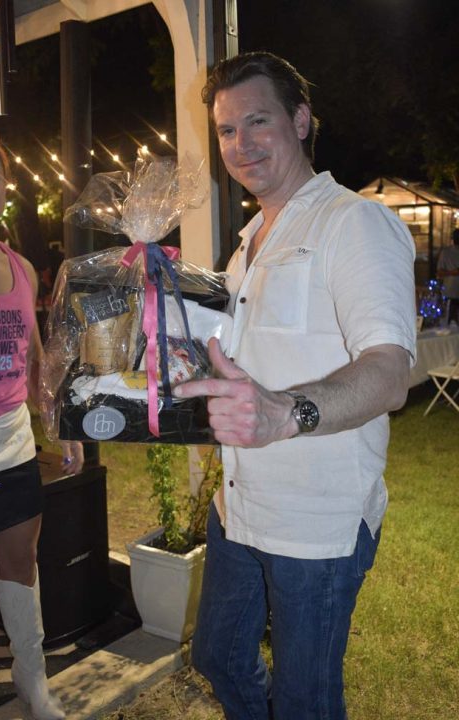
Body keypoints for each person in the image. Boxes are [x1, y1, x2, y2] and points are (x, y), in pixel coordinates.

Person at [173, 52, 417, 719]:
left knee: (306, 700)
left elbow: (389, 371)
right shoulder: (247, 242)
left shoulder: (353, 222)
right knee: (219, 656)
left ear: (301, 120)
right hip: (239, 507)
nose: (240, 144)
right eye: (227, 130)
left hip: (317, 524)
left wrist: (287, 413)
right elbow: (242, 360)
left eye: (258, 121)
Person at [0, 135, 84, 720]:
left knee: (20, 566)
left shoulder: (20, 268)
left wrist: (59, 421)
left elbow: (36, 360)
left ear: (5, 186)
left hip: (12, 441)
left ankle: (31, 676)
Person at [436, 228, 459, 324]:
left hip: (450, 291)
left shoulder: (445, 252)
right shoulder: (446, 252)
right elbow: (439, 272)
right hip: (450, 293)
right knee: (448, 320)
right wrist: (453, 272)